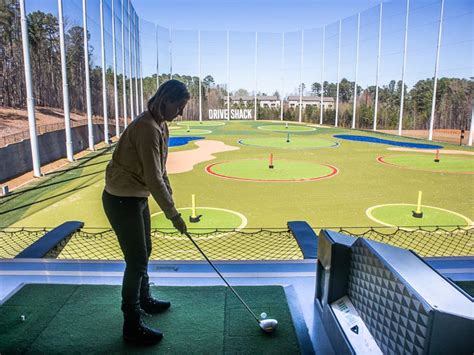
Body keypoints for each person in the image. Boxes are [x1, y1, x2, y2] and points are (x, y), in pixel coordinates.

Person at [102, 80, 189, 345]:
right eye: (180, 106)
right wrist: (173, 215)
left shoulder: (161, 126)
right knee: (137, 260)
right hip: (120, 199)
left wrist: (171, 201)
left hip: (136, 197)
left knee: (145, 250)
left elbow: (161, 171)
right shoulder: (146, 128)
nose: (181, 113)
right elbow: (153, 178)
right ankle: (131, 324)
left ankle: (144, 299)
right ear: (166, 99)